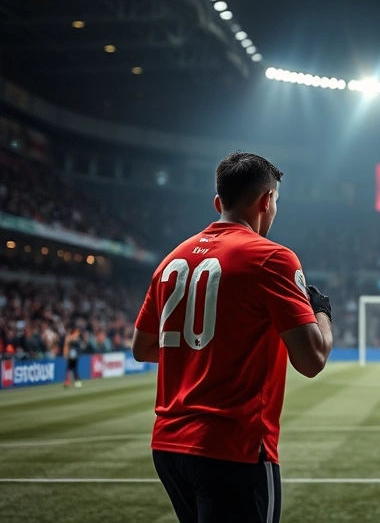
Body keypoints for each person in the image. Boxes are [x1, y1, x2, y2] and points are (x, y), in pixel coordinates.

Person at [132, 152, 333, 523]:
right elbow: (311, 360)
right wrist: (322, 311)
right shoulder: (271, 258)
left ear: (218, 202)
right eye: (276, 201)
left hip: (169, 446)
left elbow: (142, 347)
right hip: (233, 448)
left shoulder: (171, 260)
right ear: (267, 200)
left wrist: (214, 348)